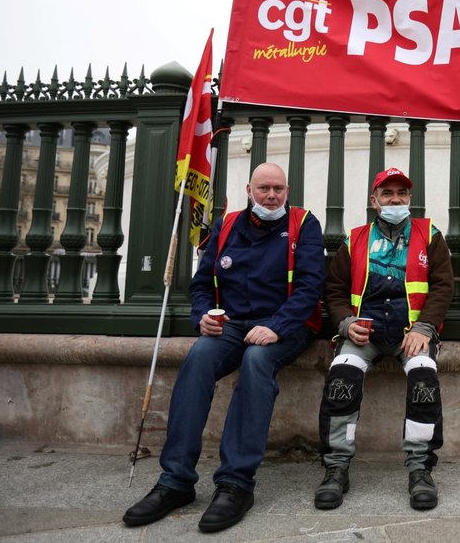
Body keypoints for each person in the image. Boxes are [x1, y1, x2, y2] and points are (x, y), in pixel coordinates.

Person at [123, 162, 325, 533]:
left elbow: (311, 288)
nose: (271, 195)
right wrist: (202, 316)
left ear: (288, 190)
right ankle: (175, 481)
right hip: (232, 323)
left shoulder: (304, 224)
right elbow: (201, 285)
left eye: (278, 189)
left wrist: (275, 327)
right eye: (264, 188)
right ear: (250, 189)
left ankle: (236, 483)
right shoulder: (227, 225)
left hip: (286, 324)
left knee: (256, 361)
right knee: (198, 357)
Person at [314, 167, 453, 511]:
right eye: (387, 194)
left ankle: (420, 469)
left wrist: (425, 328)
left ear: (409, 199)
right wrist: (345, 323)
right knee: (341, 380)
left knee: (424, 379)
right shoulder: (356, 238)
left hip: (411, 333)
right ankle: (336, 467)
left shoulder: (429, 234)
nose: (395, 199)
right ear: (374, 201)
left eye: (401, 194)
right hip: (366, 333)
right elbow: (333, 290)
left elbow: (442, 287)